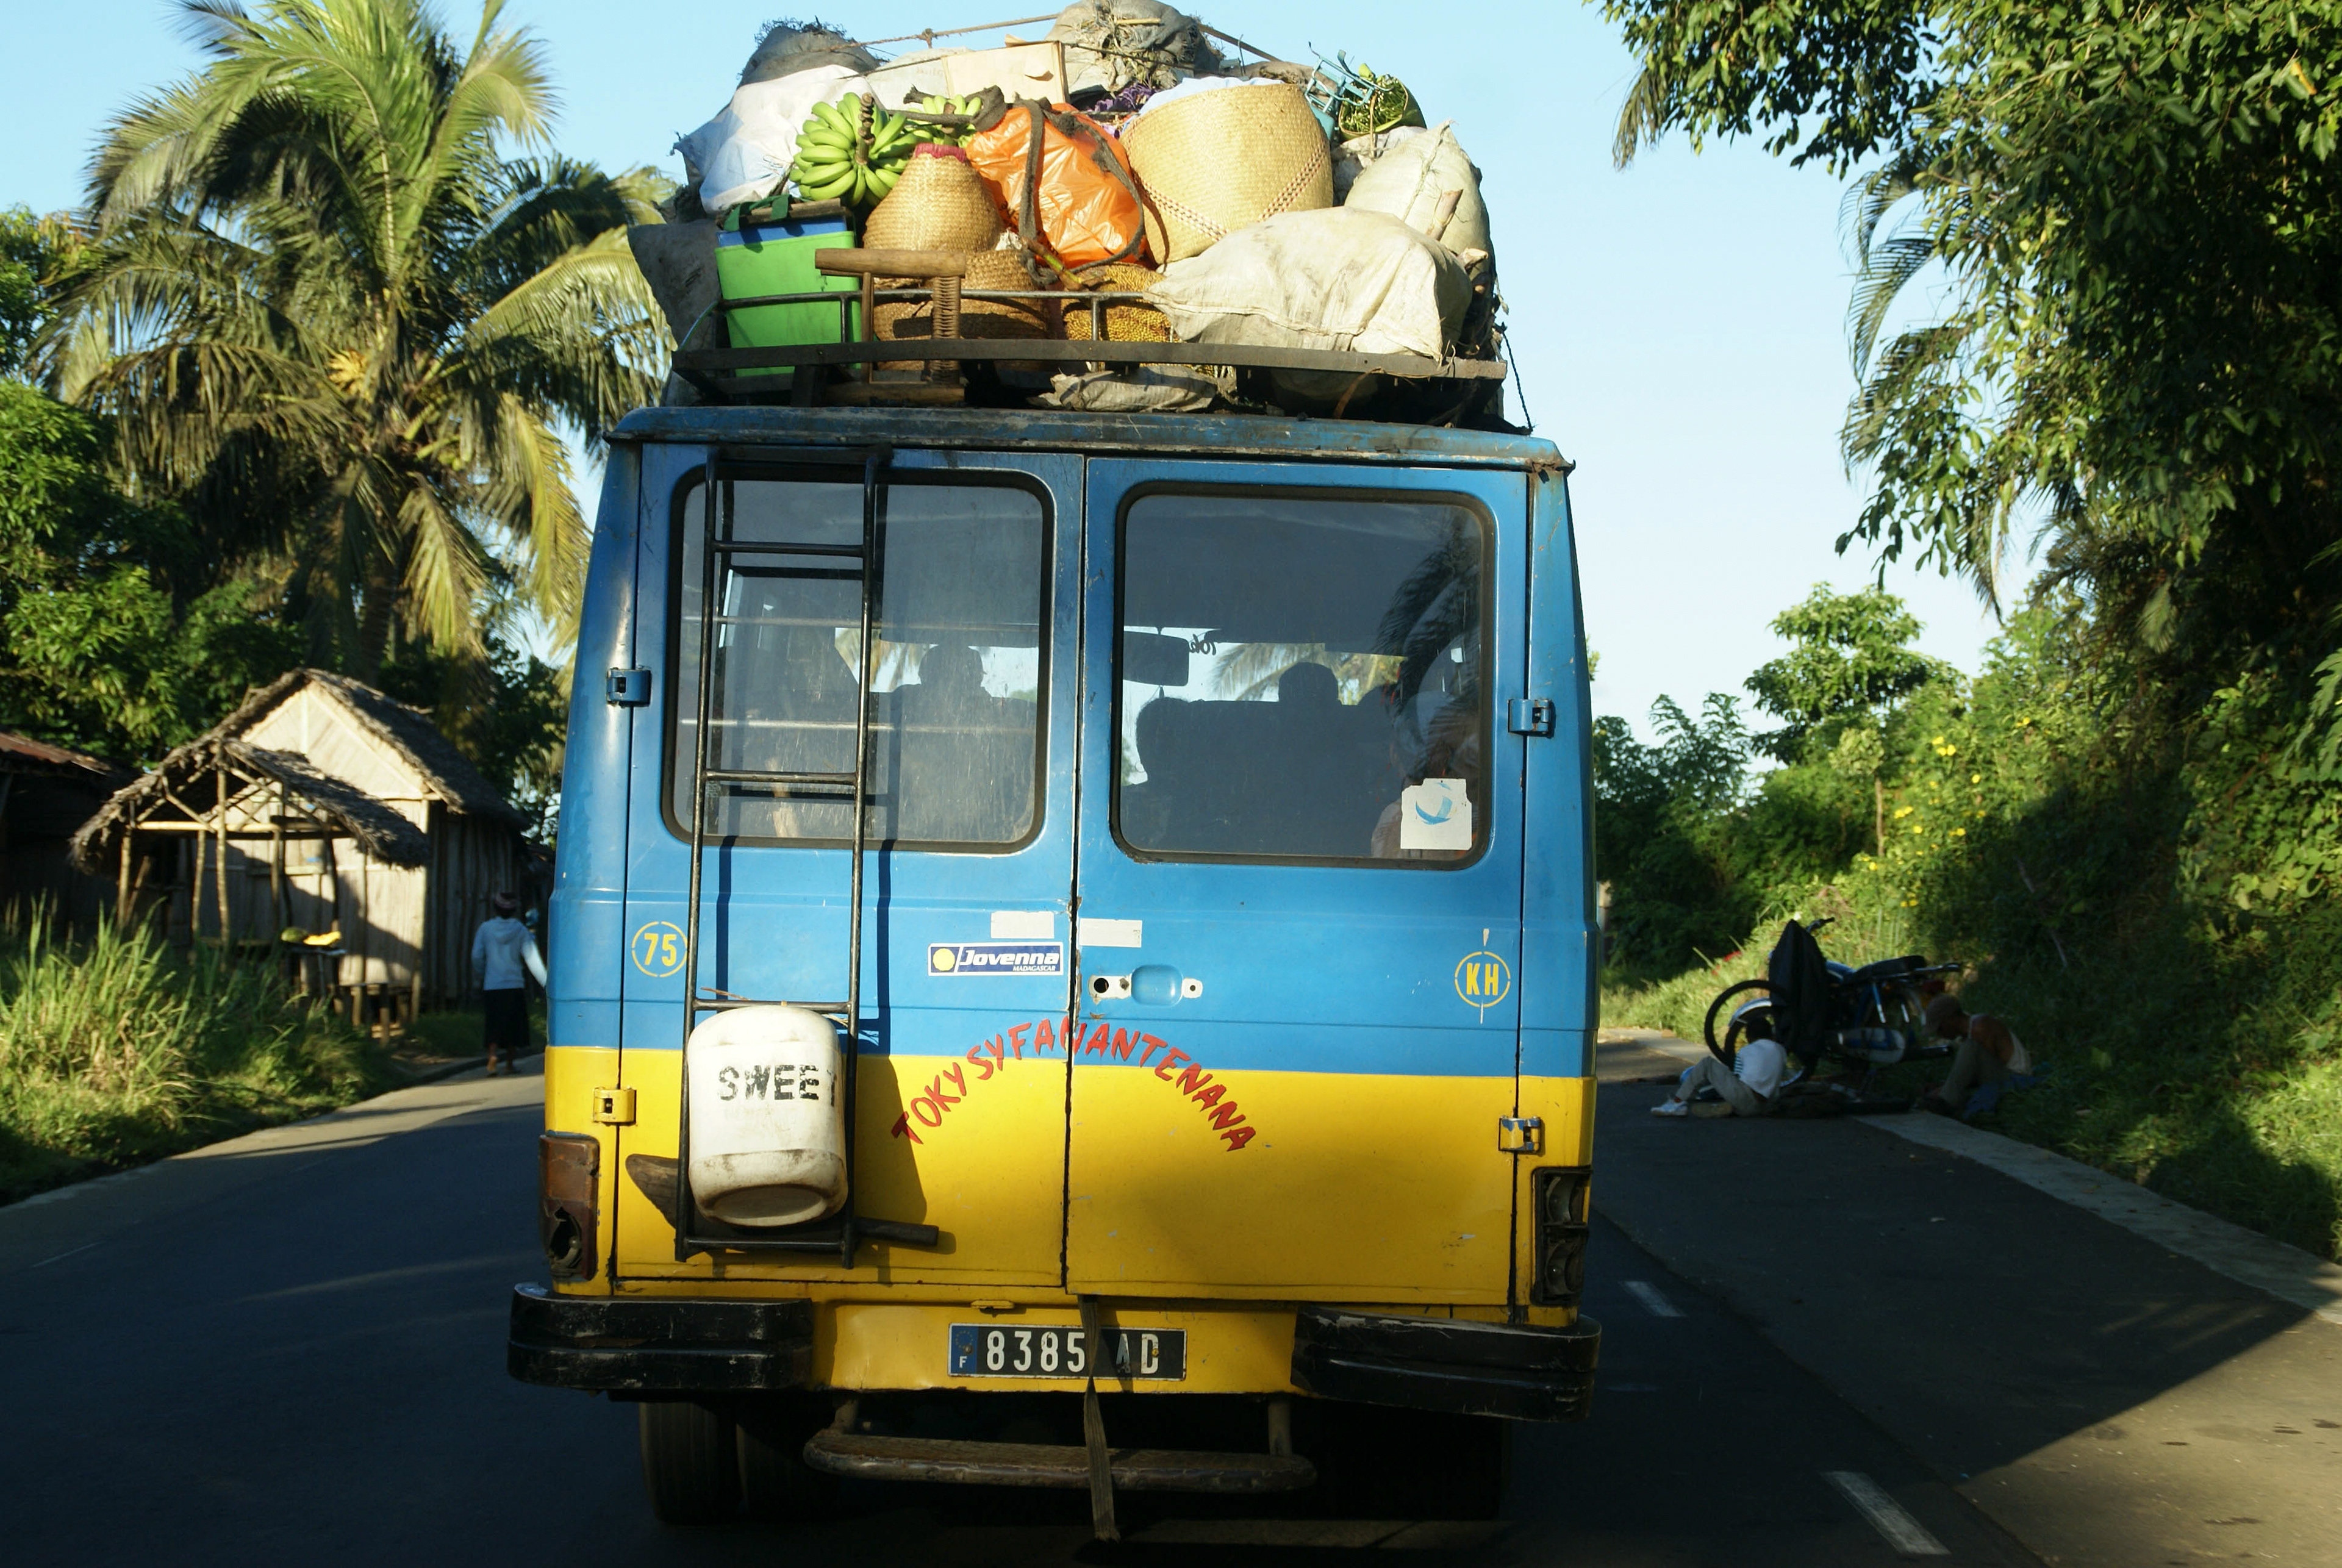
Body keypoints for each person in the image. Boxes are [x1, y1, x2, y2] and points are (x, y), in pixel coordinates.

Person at [471, 892, 547, 1076]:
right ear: (514, 911)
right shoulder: (520, 930)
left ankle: (492, 1058)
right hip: (514, 984)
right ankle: (509, 1064)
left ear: (495, 909)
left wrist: (482, 974)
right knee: (513, 1026)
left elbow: (476, 956)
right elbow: (532, 958)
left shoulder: (485, 929)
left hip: (492, 985)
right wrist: (546, 982)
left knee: (493, 1023)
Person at [1919, 994, 2030, 1115]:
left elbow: (1985, 1072)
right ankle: (1947, 1097)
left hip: (2015, 1077)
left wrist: (1946, 1090)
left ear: (1950, 1020)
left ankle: (1947, 1102)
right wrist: (1943, 1086)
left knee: (1971, 1046)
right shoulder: (1970, 1033)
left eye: (1940, 1029)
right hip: (2001, 1075)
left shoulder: (1979, 1028)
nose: (1940, 1035)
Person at [1651, 1030, 1788, 1118]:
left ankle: (1677, 1103)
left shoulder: (1746, 1051)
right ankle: (1728, 1107)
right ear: (1771, 1035)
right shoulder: (1781, 1051)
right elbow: (1782, 1075)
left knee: (1707, 1064)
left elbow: (1738, 1077)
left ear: (1749, 1037)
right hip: (1768, 1106)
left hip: (1746, 1102)